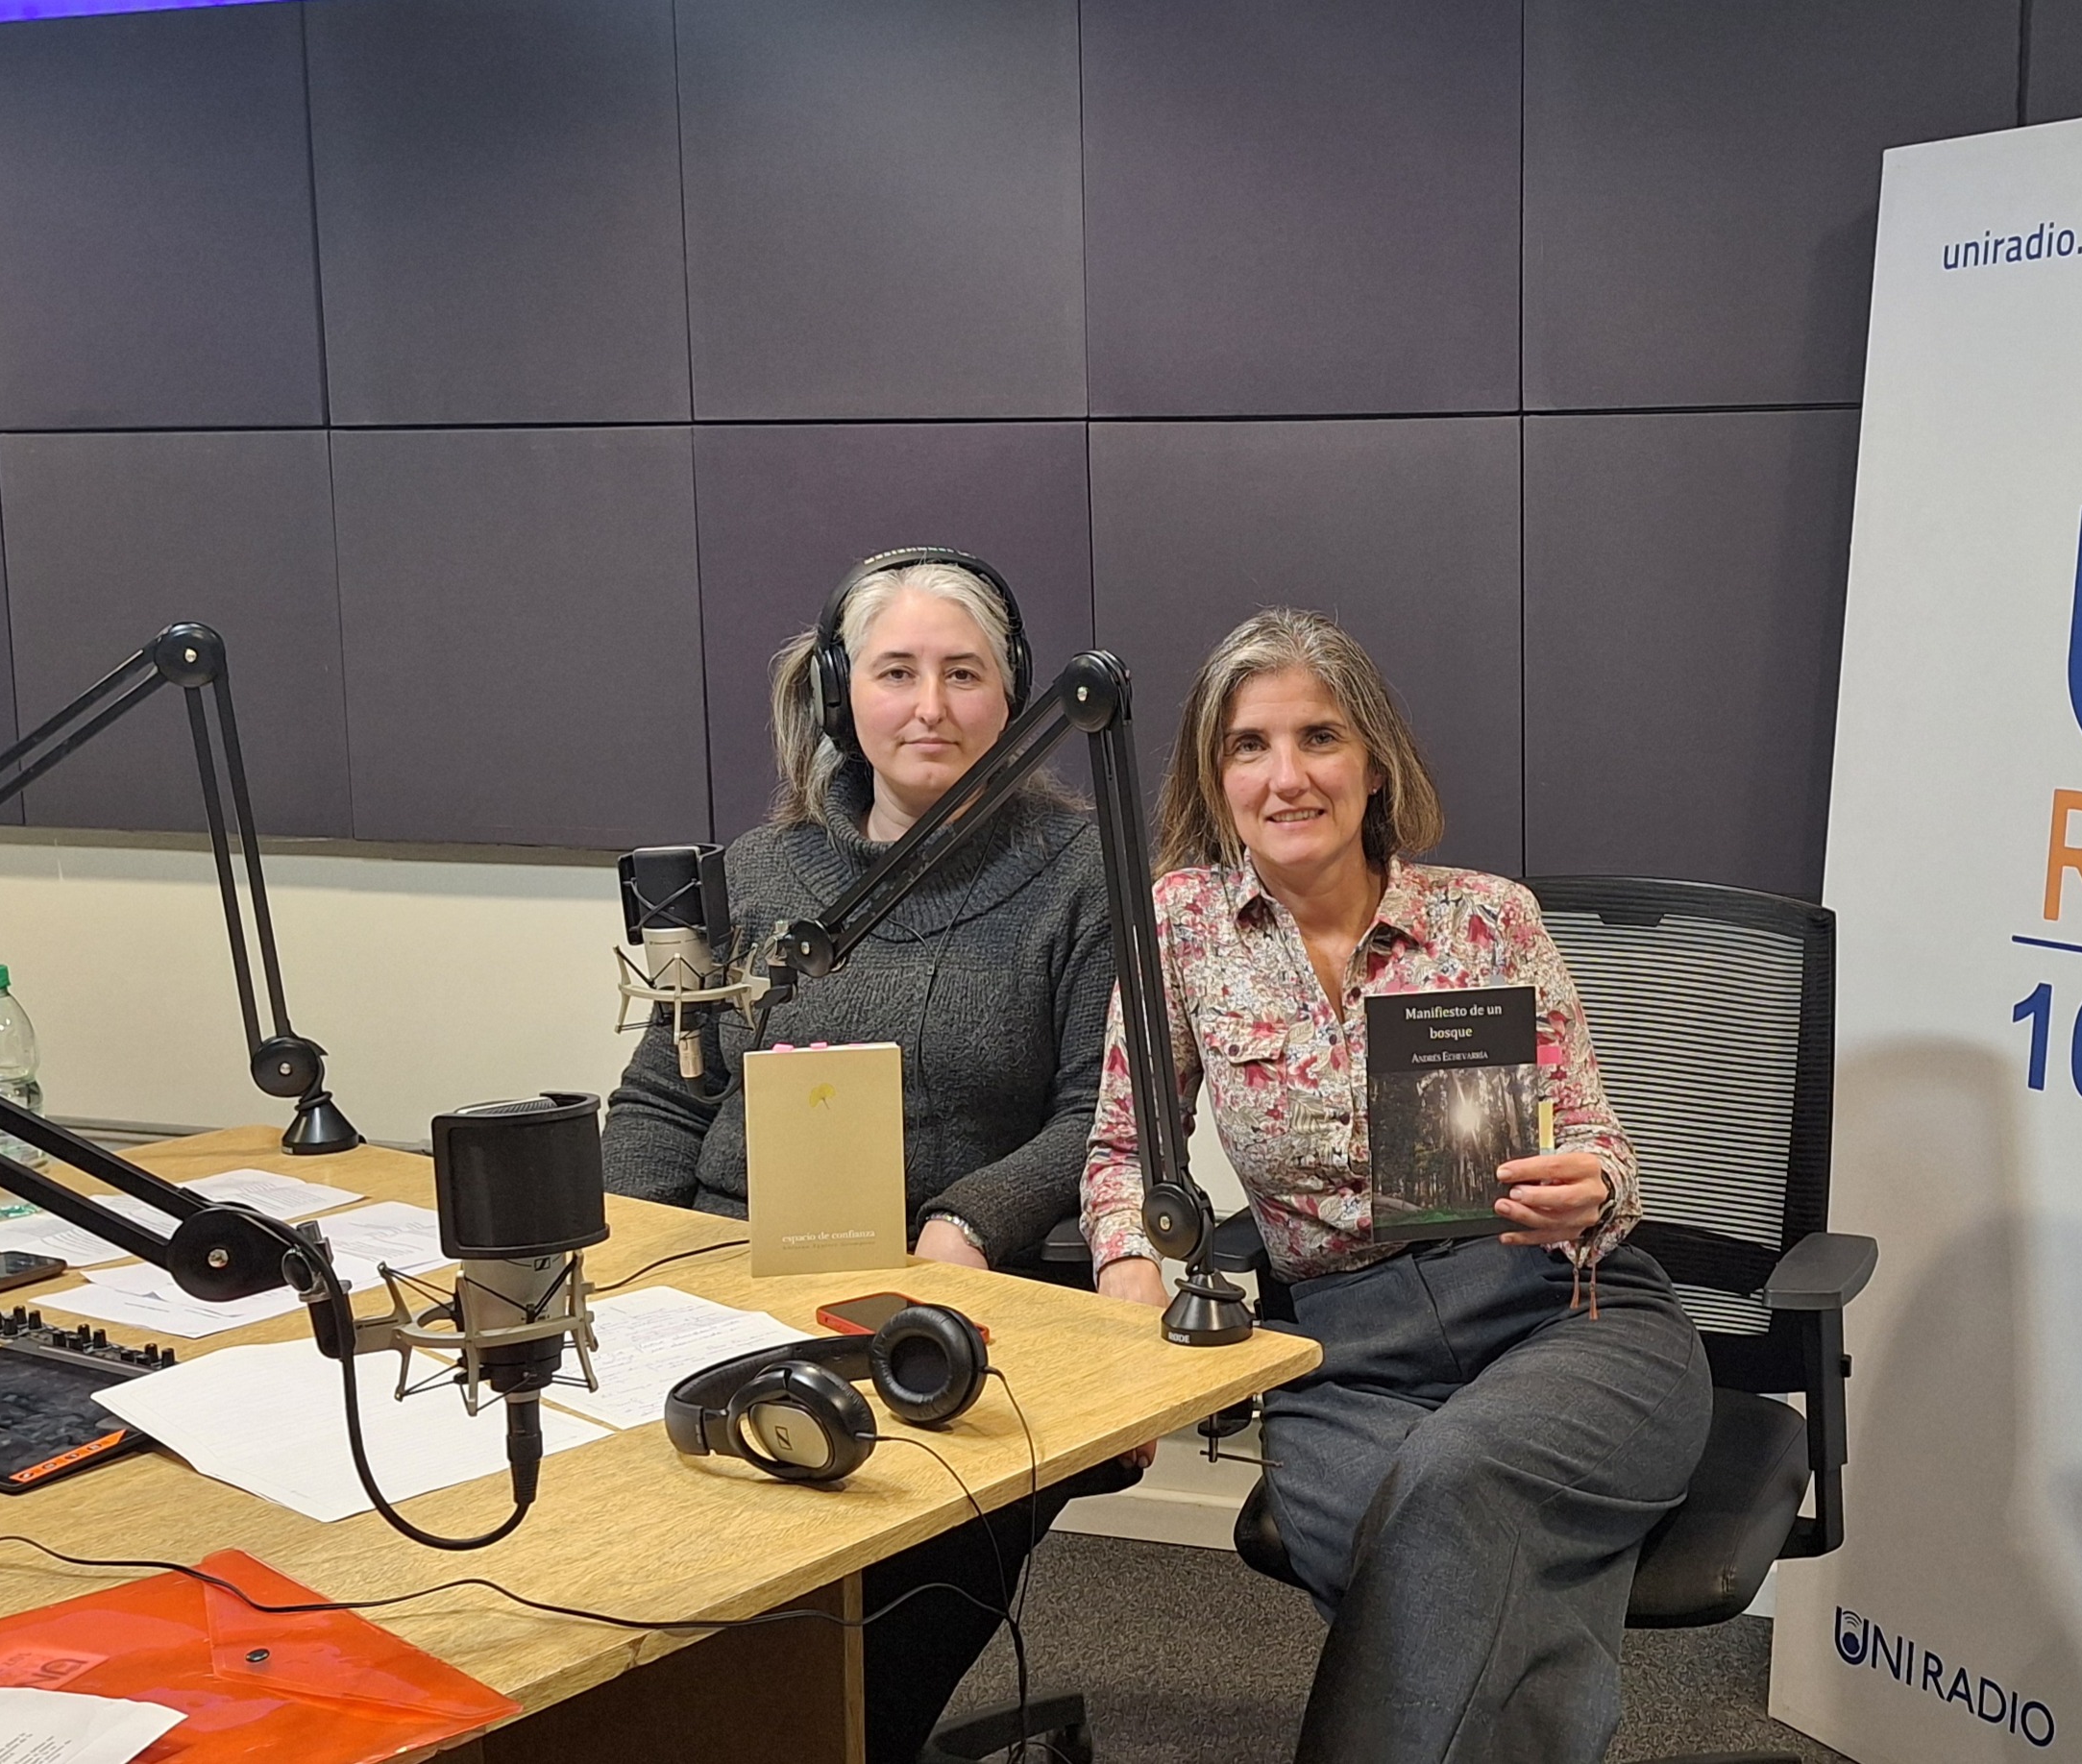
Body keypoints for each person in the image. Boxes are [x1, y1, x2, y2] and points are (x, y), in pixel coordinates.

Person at [1081, 607, 1714, 1762]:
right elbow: (1125, 1151)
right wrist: (1128, 1270)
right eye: (1248, 745)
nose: (1286, 776)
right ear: (1214, 775)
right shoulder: (1175, 930)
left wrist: (1591, 1183)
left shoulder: (1488, 918)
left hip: (1559, 1314)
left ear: (1373, 762)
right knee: (1442, 1540)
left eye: (1319, 737)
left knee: (1447, 1480)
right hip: (1342, 1356)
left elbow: (1598, 1142)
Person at [602, 549, 1120, 1764]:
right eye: (896, 672)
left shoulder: (1084, 876)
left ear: (1014, 694)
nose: (929, 706)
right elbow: (662, 1098)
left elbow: (1095, 1117)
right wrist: (631, 1261)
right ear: (843, 694)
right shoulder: (758, 873)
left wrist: (966, 1222)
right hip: (725, 1279)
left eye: (963, 673)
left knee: (855, 1650)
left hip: (933, 1303)